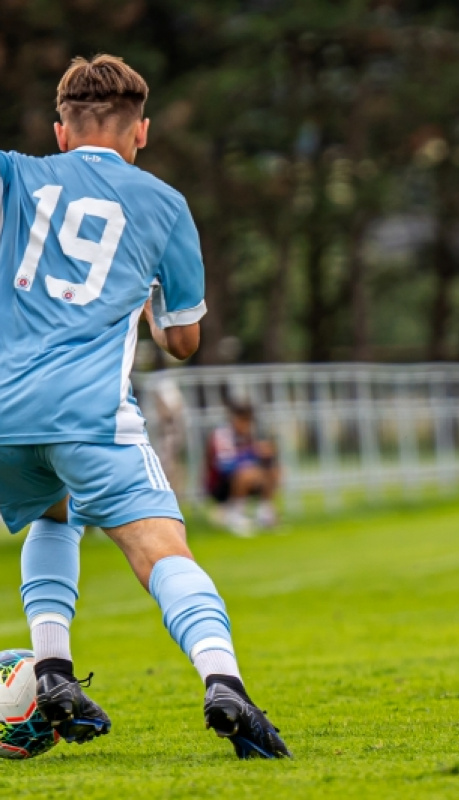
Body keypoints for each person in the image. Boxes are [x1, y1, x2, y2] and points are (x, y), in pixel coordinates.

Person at [0, 55, 290, 758]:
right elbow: (183, 341)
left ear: (60, 132)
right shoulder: (164, 204)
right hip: (90, 414)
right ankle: (224, 683)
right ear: (142, 134)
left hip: (6, 411)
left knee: (54, 511)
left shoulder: (15, 172)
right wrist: (151, 310)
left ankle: (54, 672)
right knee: (162, 550)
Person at [205, 401, 281, 537]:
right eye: (243, 420)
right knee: (247, 473)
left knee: (274, 471)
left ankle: (265, 514)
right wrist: (254, 452)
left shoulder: (251, 433)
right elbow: (225, 465)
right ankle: (236, 517)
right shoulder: (222, 434)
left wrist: (266, 454)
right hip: (220, 484)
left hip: (246, 476)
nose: (246, 424)